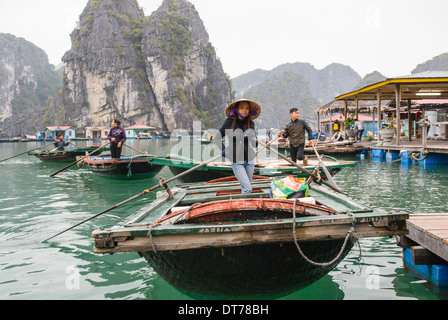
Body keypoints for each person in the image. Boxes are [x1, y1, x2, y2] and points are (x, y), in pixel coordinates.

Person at [219, 99, 261, 194]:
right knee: (247, 188)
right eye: (242, 107)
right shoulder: (229, 122)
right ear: (236, 109)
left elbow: (255, 144)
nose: (244, 110)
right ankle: (245, 206)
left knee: (246, 187)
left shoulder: (251, 123)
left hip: (250, 159)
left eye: (246, 108)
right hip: (236, 160)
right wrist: (223, 149)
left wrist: (253, 136)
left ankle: (244, 205)